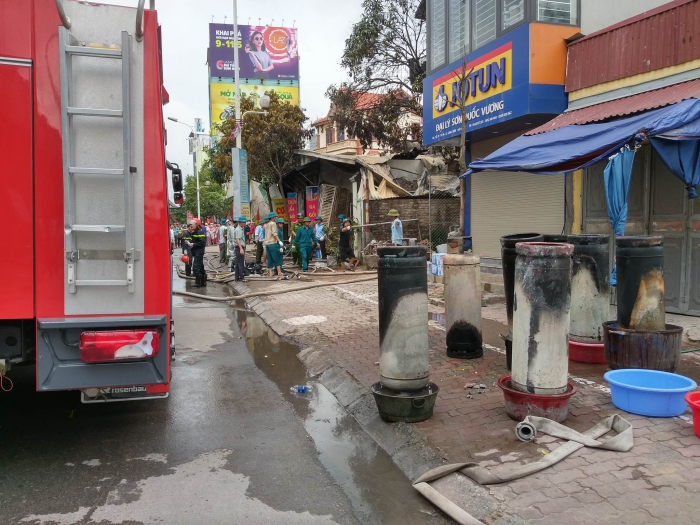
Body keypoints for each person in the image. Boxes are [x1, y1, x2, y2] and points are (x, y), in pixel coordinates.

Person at [188, 218, 207, 287]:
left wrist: (193, 244)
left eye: (193, 224)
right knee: (201, 267)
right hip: (196, 252)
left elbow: (202, 243)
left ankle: (198, 283)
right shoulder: (194, 232)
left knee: (196, 267)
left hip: (199, 252)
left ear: (197, 225)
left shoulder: (199, 232)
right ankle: (203, 282)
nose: (191, 225)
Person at [263, 212, 283, 277]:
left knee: (270, 259)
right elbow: (274, 234)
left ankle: (270, 273)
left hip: (267, 244)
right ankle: (279, 272)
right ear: (272, 218)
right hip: (272, 243)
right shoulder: (273, 224)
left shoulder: (267, 224)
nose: (275, 218)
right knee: (276, 258)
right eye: (275, 217)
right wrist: (279, 241)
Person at [233, 216, 247, 282]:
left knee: (238, 262)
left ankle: (237, 277)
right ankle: (241, 277)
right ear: (240, 223)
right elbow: (238, 239)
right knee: (240, 263)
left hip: (239, 247)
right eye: (244, 222)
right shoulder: (238, 229)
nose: (245, 223)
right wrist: (241, 248)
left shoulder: (241, 229)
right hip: (239, 247)